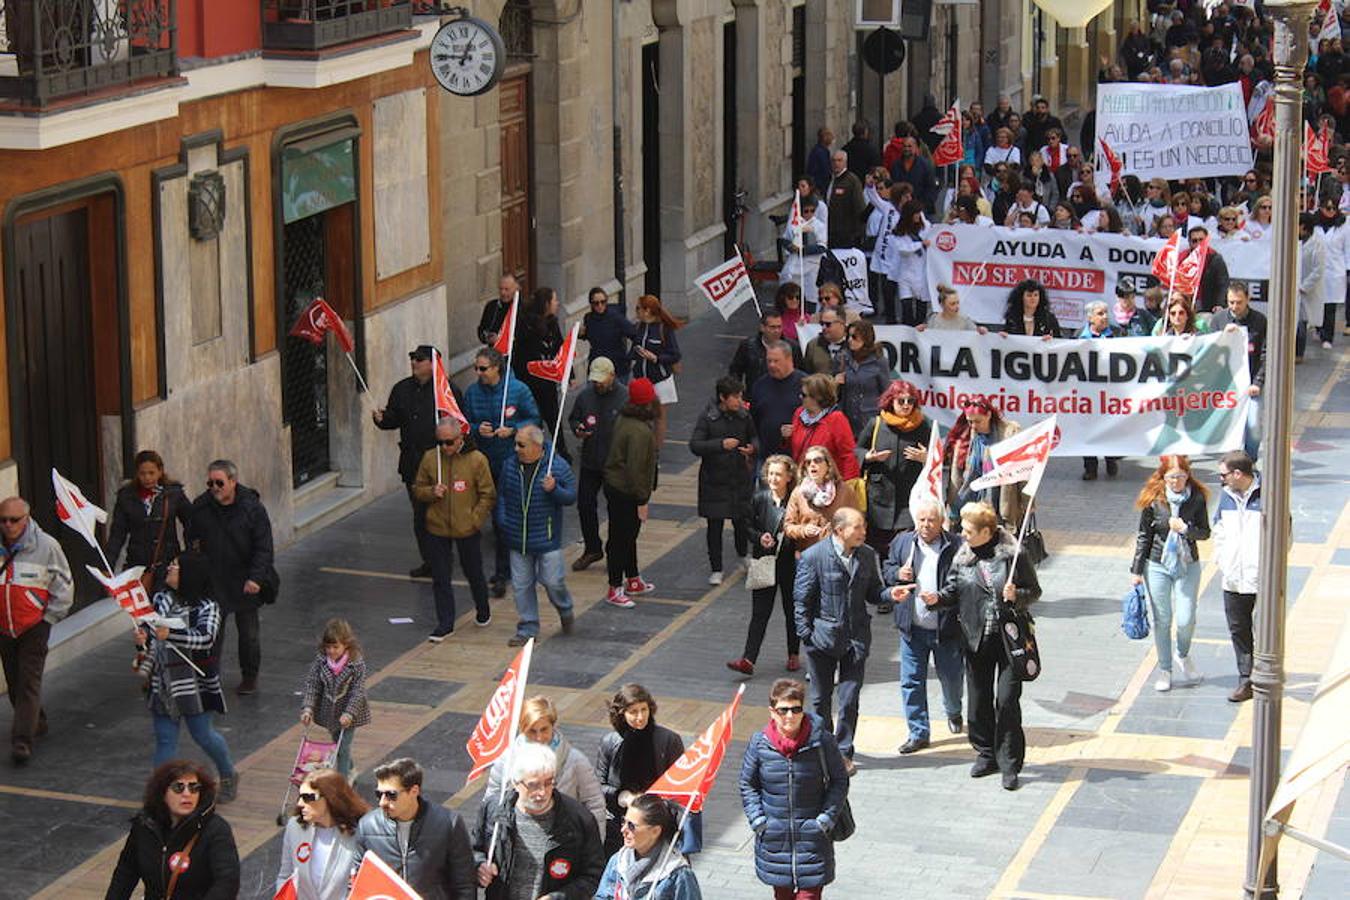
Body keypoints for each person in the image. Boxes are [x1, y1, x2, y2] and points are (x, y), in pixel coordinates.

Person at [924, 501, 1041, 791]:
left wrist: (1018, 595)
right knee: (978, 703)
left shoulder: (1013, 556)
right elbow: (953, 591)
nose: (962, 534)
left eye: (968, 530)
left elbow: (1034, 591)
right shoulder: (963, 558)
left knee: (1006, 701)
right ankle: (986, 752)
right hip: (975, 638)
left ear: (986, 532)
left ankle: (1010, 763)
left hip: (1009, 640)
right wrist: (936, 599)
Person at [136, 550, 238, 801]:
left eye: (175, 566)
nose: (169, 569)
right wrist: (142, 642)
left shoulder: (208, 606)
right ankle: (160, 793)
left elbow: (205, 638)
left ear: (190, 574)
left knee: (203, 734)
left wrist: (169, 635)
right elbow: (151, 634)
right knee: (165, 740)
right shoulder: (161, 599)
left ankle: (227, 774)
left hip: (195, 682)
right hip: (164, 682)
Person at [738, 677, 850, 899]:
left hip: (813, 838)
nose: (790, 716)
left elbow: (840, 780)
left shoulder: (822, 741)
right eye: (783, 710)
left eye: (795, 709)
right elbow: (747, 784)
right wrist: (758, 820)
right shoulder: (759, 744)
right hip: (774, 838)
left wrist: (825, 820)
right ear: (772, 712)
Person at [793, 507, 882, 774]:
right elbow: (801, 601)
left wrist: (891, 594)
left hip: (855, 641)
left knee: (850, 698)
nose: (863, 532)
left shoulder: (867, 555)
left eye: (863, 527)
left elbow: (874, 592)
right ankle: (824, 749)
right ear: (839, 530)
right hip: (822, 641)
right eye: (857, 527)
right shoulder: (813, 557)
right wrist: (807, 636)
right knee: (820, 700)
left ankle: (843, 751)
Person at [373, 345, 466, 578]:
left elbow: (460, 424)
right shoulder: (402, 389)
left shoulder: (447, 391)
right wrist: (382, 419)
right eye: (413, 358)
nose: (414, 362)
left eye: (420, 359)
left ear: (433, 364)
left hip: (440, 462)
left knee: (442, 513)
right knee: (420, 515)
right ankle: (430, 560)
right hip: (413, 463)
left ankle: (443, 557)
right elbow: (394, 418)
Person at [473, 742, 606, 900]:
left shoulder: (578, 819)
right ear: (515, 783)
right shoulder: (493, 810)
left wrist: (558, 897)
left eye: (548, 783)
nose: (542, 793)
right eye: (533, 785)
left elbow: (594, 876)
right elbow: (473, 850)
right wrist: (480, 866)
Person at [884, 499, 965, 754]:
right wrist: (898, 575)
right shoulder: (903, 543)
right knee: (911, 681)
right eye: (921, 520)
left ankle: (953, 711)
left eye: (931, 520)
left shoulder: (957, 546)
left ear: (942, 522)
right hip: (912, 628)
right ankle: (918, 732)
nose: (925, 525)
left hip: (946, 629)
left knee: (951, 678)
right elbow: (886, 570)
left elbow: (965, 582)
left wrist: (941, 599)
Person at [187, 459, 274, 696]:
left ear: (233, 482)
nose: (214, 487)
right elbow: (192, 541)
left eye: (219, 482)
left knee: (249, 634)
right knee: (211, 633)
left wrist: (255, 578)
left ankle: (249, 677)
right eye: (210, 482)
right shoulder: (201, 508)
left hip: (244, 580)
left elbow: (263, 546)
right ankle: (208, 677)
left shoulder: (252, 508)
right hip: (213, 581)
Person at [462, 346, 541, 598]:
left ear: (497, 368)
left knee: (502, 520)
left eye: (482, 368)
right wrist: (476, 428)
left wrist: (514, 429)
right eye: (476, 368)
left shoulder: (518, 390)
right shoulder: (473, 393)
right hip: (482, 464)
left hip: (510, 462)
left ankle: (502, 571)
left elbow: (534, 419)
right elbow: (464, 423)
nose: (478, 372)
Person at [0, 496, 72, 764]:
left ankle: (22, 740)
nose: (8, 525)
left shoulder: (47, 547)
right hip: (4, 626)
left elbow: (64, 584)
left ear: (26, 519)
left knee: (29, 680)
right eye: (3, 520)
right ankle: (36, 720)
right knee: (15, 681)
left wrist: (49, 618)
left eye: (14, 520)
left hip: (34, 625)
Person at [1130, 456, 1211, 693]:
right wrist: (1136, 570)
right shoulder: (1154, 500)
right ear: (1162, 477)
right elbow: (1143, 535)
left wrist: (1186, 529)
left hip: (1187, 563)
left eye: (1181, 476)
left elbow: (1205, 532)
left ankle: (1182, 654)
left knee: (1186, 618)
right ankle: (1165, 668)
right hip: (1157, 564)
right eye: (1171, 477)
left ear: (1188, 476)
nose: (1176, 482)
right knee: (1162, 619)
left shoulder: (1196, 498)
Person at [106, 761, 240, 899]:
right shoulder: (145, 826)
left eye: (194, 788)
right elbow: (125, 873)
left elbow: (227, 881)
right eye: (178, 788)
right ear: (162, 792)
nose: (187, 794)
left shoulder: (215, 829)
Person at [412, 420, 496, 638]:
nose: (444, 447)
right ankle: (445, 622)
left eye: (449, 442)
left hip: (466, 528)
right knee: (440, 577)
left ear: (460, 439)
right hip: (437, 527)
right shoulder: (431, 458)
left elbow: (488, 494)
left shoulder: (477, 460)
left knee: (473, 572)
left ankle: (483, 608)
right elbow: (417, 489)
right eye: (440, 442)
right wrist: (431, 492)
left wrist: (475, 519)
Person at [496, 425, 577, 645]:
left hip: (546, 538)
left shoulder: (556, 467)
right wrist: (502, 519)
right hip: (517, 537)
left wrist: (554, 490)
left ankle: (564, 608)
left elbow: (570, 496)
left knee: (552, 581)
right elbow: (502, 494)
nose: (516, 449)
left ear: (536, 446)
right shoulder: (509, 466)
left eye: (521, 444)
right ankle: (528, 627)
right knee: (521, 586)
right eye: (516, 444)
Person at [482, 695, 607, 835]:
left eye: (544, 729)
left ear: (553, 726)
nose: (539, 737)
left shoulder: (575, 761)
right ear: (522, 729)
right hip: (519, 841)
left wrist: (595, 847)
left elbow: (594, 804)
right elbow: (491, 803)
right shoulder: (506, 762)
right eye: (532, 731)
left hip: (564, 841)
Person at [354, 757, 476, 899]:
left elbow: (464, 884)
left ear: (414, 791)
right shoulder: (368, 826)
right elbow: (357, 881)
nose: (382, 802)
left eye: (391, 795)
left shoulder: (448, 823)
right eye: (378, 794)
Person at [728, 455, 803, 677]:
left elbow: (802, 527)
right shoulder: (759, 498)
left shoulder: (797, 499)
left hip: (790, 563)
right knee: (759, 613)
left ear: (789, 477)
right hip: (763, 560)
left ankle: (793, 653)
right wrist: (759, 537)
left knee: (792, 610)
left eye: (778, 474)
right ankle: (748, 659)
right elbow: (746, 525)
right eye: (770, 473)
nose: (773, 478)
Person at [595, 684, 686, 855]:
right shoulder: (610, 742)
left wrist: (652, 804)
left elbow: (680, 787)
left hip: (657, 824)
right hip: (620, 826)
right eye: (633, 712)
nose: (640, 717)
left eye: (644, 710)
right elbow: (598, 786)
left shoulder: (668, 741)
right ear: (622, 714)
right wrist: (623, 796)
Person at [856, 381, 933, 565]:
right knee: (875, 553)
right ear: (891, 401)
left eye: (910, 401)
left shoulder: (923, 425)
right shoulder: (877, 423)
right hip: (878, 501)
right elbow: (856, 450)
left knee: (904, 553)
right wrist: (868, 457)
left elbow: (937, 457)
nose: (906, 405)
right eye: (901, 401)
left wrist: (926, 457)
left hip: (909, 501)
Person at [690, 376, 758, 585]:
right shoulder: (708, 418)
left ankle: (743, 555)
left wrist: (752, 448)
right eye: (735, 397)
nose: (739, 401)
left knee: (741, 521)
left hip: (738, 478)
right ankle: (716, 568)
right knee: (715, 526)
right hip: (715, 480)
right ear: (723, 397)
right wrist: (720, 445)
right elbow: (695, 445)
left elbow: (755, 437)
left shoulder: (744, 416)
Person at [601, 377, 661, 608]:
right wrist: (642, 500)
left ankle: (633, 577)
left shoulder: (625, 419)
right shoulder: (639, 431)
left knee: (627, 536)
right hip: (626, 491)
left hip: (617, 486)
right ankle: (615, 586)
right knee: (621, 539)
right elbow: (636, 468)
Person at [568, 357, 629, 571]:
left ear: (612, 376)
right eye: (595, 380)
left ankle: (615, 551)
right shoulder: (586, 396)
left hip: (615, 464)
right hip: (591, 461)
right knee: (585, 504)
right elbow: (574, 419)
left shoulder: (625, 398)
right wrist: (578, 429)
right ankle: (593, 548)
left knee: (616, 510)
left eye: (602, 380)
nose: (598, 384)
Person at [1212, 451, 1262, 703]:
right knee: (1238, 628)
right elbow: (1219, 528)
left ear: (1238, 474)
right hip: (1233, 576)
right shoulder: (1226, 496)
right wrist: (1222, 559)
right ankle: (1246, 679)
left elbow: (1284, 533)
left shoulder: (1268, 494)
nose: (1221, 480)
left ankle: (1262, 673)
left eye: (1223, 475)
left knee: (1264, 628)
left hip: (1261, 577)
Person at [106, 450, 192, 592]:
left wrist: (186, 557)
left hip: (167, 563)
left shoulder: (173, 494)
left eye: (151, 473)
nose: (147, 478)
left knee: (165, 607)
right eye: (142, 473)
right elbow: (117, 534)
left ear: (160, 471)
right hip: (137, 564)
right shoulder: (126, 497)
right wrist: (107, 566)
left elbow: (190, 524)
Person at [276, 768, 369, 899]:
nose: (300, 803)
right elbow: (285, 876)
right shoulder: (294, 827)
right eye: (300, 796)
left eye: (308, 797)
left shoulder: (361, 832)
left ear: (331, 798)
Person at [595, 793, 703, 900]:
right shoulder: (618, 861)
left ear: (655, 831)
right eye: (624, 821)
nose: (623, 830)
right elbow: (603, 896)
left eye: (632, 826)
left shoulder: (677, 874)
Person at [299, 619, 370, 781]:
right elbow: (313, 684)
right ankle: (351, 768)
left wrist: (349, 713)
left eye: (335, 647)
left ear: (346, 645)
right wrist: (308, 708)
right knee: (338, 743)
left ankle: (342, 782)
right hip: (330, 711)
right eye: (328, 647)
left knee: (342, 747)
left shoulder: (356, 664)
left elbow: (357, 691)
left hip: (349, 712)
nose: (331, 651)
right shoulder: (321, 660)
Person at [945, 397, 1027, 528]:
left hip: (1000, 502)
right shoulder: (964, 438)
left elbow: (1023, 472)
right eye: (970, 421)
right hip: (968, 504)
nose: (973, 426)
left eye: (978, 421)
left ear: (988, 415)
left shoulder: (1009, 434)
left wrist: (1028, 502)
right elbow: (955, 476)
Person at [1210, 283, 1267, 460]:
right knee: (1228, 427)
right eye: (1231, 302)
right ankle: (1233, 463)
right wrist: (1223, 337)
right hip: (1227, 385)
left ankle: (1250, 461)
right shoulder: (1219, 319)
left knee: (1253, 425)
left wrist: (1258, 382)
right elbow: (1210, 351)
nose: (1234, 307)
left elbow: (1266, 354)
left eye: (1239, 302)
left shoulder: (1260, 320)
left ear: (1248, 299)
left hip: (1251, 384)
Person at [513, 286, 570, 458]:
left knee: (553, 418)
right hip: (529, 381)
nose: (557, 303)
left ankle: (562, 451)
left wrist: (569, 372)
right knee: (533, 417)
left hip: (547, 381)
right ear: (546, 303)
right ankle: (533, 450)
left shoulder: (552, 322)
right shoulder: (526, 325)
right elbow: (520, 353)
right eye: (554, 300)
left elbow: (561, 348)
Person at [630, 294, 683, 449]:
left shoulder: (663, 329)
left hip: (659, 379)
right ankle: (644, 446)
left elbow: (675, 354)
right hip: (641, 379)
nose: (636, 311)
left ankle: (655, 450)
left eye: (638, 308)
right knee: (641, 415)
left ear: (647, 311)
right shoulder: (639, 327)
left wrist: (656, 358)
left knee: (659, 417)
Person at [1077, 301, 1123, 481]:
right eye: (1100, 313)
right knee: (1087, 430)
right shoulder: (1078, 337)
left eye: (1106, 313)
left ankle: (1111, 459)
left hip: (1110, 392)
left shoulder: (1117, 334)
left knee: (1109, 427)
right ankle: (1090, 467)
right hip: (1087, 393)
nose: (1105, 317)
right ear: (1090, 317)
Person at [784, 447, 859, 554]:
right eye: (808, 462)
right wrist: (803, 530)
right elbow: (788, 526)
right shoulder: (799, 492)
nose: (812, 465)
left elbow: (857, 522)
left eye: (817, 460)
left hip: (837, 553)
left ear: (828, 465)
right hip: (807, 554)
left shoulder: (844, 490)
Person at [787, 374, 859, 481]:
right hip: (803, 480)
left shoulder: (836, 419)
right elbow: (794, 447)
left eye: (804, 395)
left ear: (817, 398)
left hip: (829, 483)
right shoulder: (799, 414)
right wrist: (786, 437)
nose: (800, 397)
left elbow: (848, 455)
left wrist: (848, 485)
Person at [750, 342, 807, 464]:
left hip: (797, 458)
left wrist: (797, 430)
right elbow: (752, 420)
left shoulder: (806, 385)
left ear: (789, 359)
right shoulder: (760, 385)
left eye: (776, 361)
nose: (771, 365)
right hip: (766, 457)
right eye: (769, 361)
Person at [836, 322, 889, 435]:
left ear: (866, 338)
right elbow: (834, 393)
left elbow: (886, 392)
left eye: (854, 337)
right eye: (848, 336)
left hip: (870, 419)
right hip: (847, 418)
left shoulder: (879, 361)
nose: (850, 340)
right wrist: (835, 382)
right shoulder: (842, 358)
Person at [730, 310, 804, 391]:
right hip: (755, 396)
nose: (777, 331)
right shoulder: (748, 346)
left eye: (779, 327)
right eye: (772, 327)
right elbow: (735, 371)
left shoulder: (793, 347)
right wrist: (738, 392)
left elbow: (800, 371)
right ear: (762, 327)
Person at [580, 286, 637, 378]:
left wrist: (630, 356)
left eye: (603, 302)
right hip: (597, 367)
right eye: (596, 303)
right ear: (591, 304)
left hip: (617, 368)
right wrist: (581, 334)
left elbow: (634, 334)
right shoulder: (588, 318)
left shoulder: (616, 318)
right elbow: (590, 335)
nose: (600, 306)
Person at [890, 200, 931, 327]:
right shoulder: (899, 231)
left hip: (922, 274)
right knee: (906, 309)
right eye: (915, 213)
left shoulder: (926, 228)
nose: (918, 216)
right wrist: (920, 244)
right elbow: (903, 249)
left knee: (921, 312)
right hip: (906, 274)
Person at [823, 150, 867, 249]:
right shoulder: (829, 179)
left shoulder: (852, 181)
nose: (836, 163)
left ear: (845, 162)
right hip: (830, 231)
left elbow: (859, 207)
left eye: (839, 160)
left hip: (847, 234)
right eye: (834, 161)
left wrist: (858, 233)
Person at [802, 308, 849, 376]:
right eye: (822, 323)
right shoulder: (813, 345)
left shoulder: (853, 343)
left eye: (828, 324)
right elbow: (807, 373)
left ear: (842, 324)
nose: (823, 327)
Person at [920, 284, 984, 332]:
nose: (957, 306)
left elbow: (976, 333)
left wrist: (981, 331)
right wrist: (920, 330)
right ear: (942, 305)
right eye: (952, 304)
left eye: (957, 302)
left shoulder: (965, 320)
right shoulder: (933, 319)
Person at [478, 273, 519, 347]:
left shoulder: (523, 308)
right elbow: (481, 330)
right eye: (501, 289)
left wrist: (501, 339)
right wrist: (487, 338)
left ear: (516, 289)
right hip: (495, 352)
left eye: (507, 289)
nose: (503, 293)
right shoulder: (491, 306)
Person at [806, 127, 834, 193]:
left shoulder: (823, 150)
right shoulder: (819, 152)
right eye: (829, 136)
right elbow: (824, 170)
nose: (832, 138)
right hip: (820, 186)